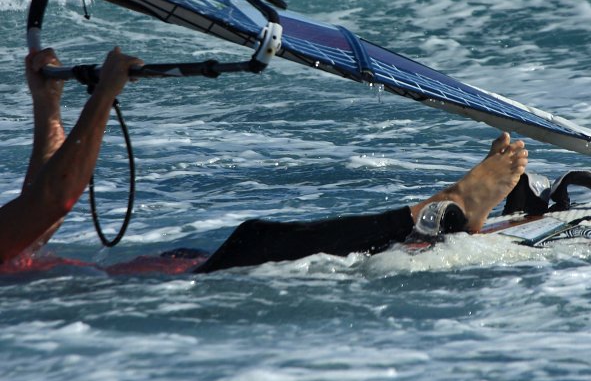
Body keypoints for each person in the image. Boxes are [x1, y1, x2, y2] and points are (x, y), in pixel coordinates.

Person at [0, 47, 528, 273]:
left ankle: (437, 216)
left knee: (248, 245)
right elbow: (55, 199)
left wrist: (48, 108)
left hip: (149, 276)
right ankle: (444, 208)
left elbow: (34, 216)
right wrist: (103, 94)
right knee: (258, 241)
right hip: (142, 294)